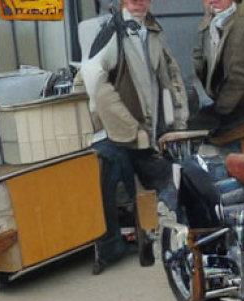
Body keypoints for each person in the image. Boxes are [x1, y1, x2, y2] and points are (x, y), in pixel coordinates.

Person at [81, 0, 189, 267]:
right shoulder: (110, 32)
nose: (139, 2)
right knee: (112, 187)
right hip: (119, 133)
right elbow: (94, 80)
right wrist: (127, 126)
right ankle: (111, 248)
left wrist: (178, 119)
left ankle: (161, 241)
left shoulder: (152, 30)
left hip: (150, 131)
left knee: (162, 184)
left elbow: (171, 74)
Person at [191, 0, 244, 150]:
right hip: (222, 108)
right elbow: (200, 69)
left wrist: (218, 113)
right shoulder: (211, 27)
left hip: (239, 114)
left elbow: (239, 80)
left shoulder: (242, 27)